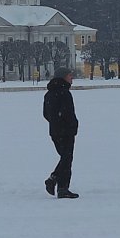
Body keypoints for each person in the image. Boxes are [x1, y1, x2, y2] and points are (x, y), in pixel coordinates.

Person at [43, 66, 79, 199]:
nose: (72, 78)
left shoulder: (49, 94)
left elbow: (45, 114)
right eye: (70, 76)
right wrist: (72, 125)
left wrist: (54, 123)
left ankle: (61, 187)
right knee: (67, 158)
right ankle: (57, 182)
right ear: (63, 77)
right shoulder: (64, 93)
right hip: (66, 131)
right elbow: (68, 113)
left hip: (54, 131)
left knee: (65, 158)